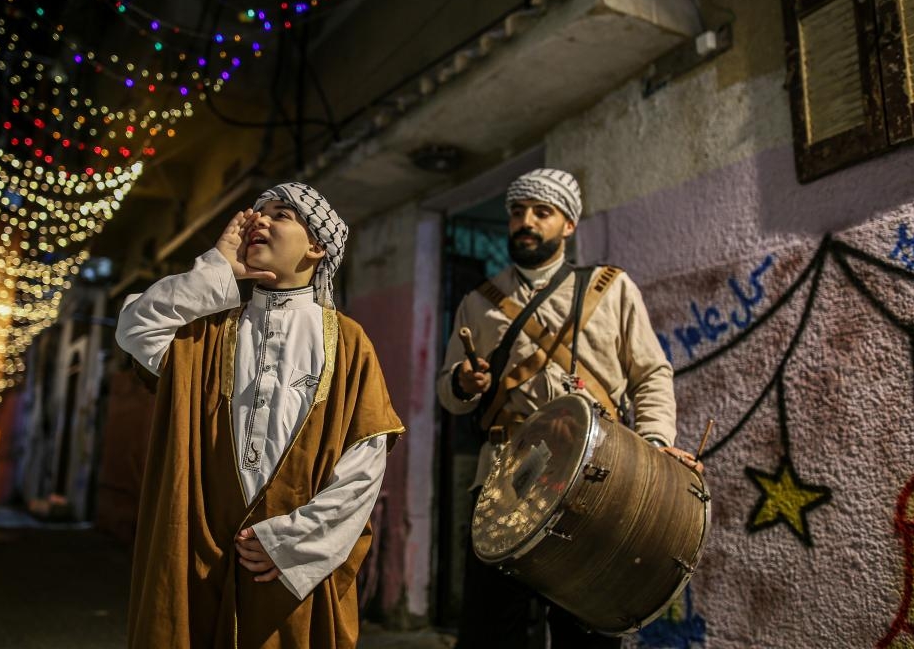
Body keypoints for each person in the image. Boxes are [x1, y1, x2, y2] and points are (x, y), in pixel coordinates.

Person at [117, 182, 404, 649]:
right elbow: (136, 327)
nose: (259, 221)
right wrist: (218, 270)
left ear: (316, 246)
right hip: (198, 548)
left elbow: (364, 464)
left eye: (281, 214)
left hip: (286, 563)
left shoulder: (348, 342)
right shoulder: (205, 333)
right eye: (256, 213)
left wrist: (293, 541)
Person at [435, 168, 700, 648]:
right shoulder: (478, 303)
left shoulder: (611, 287)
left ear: (568, 225)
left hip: (600, 479)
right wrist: (463, 381)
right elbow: (449, 395)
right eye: (517, 212)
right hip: (503, 481)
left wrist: (657, 446)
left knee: (586, 633)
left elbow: (651, 374)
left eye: (542, 212)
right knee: (490, 631)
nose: (526, 222)